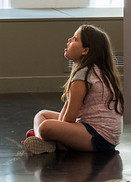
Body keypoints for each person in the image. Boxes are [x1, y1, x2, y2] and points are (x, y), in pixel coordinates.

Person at [23, 24, 124, 155]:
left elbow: (69, 118)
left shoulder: (84, 75)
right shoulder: (97, 71)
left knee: (45, 127)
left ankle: (44, 139)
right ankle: (45, 141)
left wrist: (58, 131)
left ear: (85, 50)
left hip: (98, 137)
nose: (69, 40)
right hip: (102, 135)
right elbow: (67, 108)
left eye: (75, 39)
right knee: (42, 115)